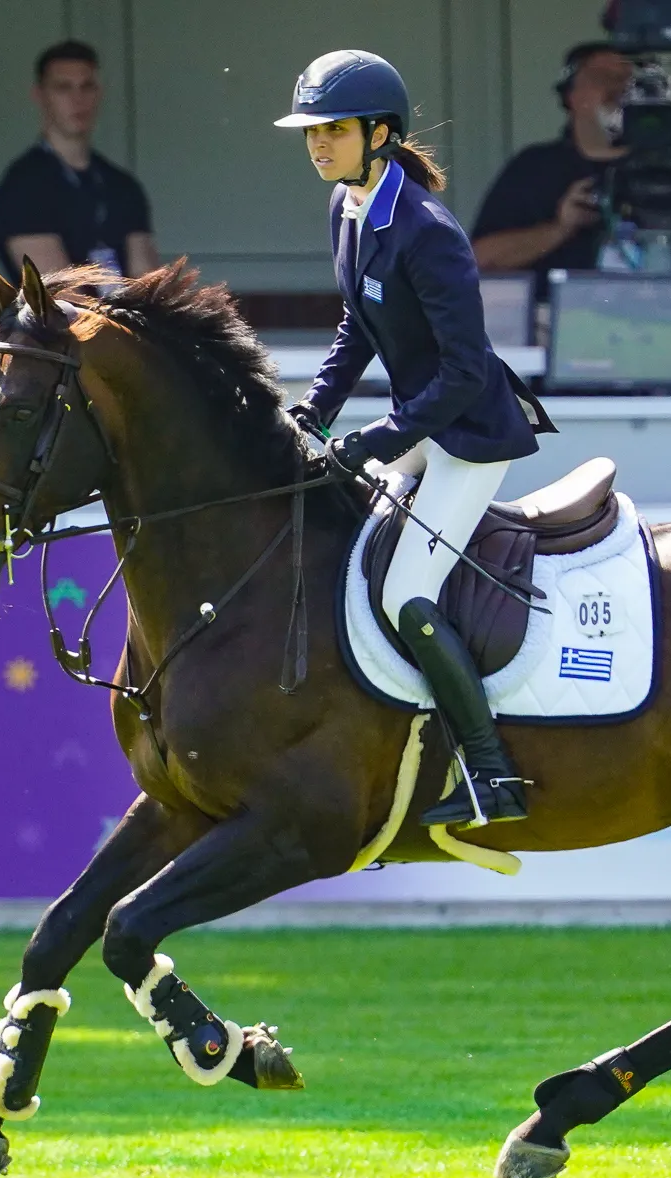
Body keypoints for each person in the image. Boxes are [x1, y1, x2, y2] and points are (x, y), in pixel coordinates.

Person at [277, 50, 555, 827]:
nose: (317, 145)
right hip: (418, 422)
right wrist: (314, 410)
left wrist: (378, 436)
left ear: (381, 133)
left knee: (405, 593)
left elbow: (467, 372)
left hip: (468, 436)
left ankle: (491, 773)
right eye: (311, 131)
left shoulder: (429, 231)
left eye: (332, 129)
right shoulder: (346, 207)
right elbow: (355, 326)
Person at [0, 40, 161, 278]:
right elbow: (62, 295)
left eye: (86, 87)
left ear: (99, 93)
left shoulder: (122, 186)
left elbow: (148, 281)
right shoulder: (23, 188)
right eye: (63, 88)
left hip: (124, 311)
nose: (78, 100)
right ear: (40, 95)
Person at [469, 43, 634, 281]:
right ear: (571, 95)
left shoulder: (664, 173)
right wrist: (561, 228)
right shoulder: (535, 168)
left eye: (629, 82)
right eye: (603, 78)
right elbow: (480, 258)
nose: (617, 89)